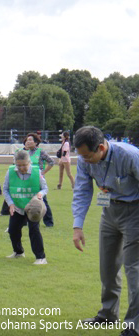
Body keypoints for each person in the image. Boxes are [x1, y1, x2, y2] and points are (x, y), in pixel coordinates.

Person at [72, 126, 139, 336]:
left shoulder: (129, 156)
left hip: (135, 212)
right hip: (109, 213)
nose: (84, 160)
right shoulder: (84, 160)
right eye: (81, 155)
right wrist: (77, 226)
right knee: (107, 267)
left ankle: (134, 326)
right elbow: (82, 190)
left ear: (101, 147)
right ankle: (108, 314)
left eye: (88, 155)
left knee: (134, 270)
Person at [0, 133, 55, 227]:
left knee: (42, 201)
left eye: (30, 140)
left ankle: (48, 222)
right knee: (20, 197)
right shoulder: (23, 152)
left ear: (36, 142)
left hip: (37, 181)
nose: (28, 141)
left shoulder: (40, 152)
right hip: (22, 179)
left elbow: (51, 162)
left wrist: (43, 172)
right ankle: (20, 219)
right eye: (27, 140)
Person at [3, 150, 48, 265]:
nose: (22, 168)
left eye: (24, 165)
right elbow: (5, 189)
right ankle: (18, 252)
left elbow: (45, 188)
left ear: (29, 162)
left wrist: (40, 194)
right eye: (19, 165)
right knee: (13, 230)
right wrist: (10, 204)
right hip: (17, 206)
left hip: (33, 208)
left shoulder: (37, 172)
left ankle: (41, 257)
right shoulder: (10, 171)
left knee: (34, 230)